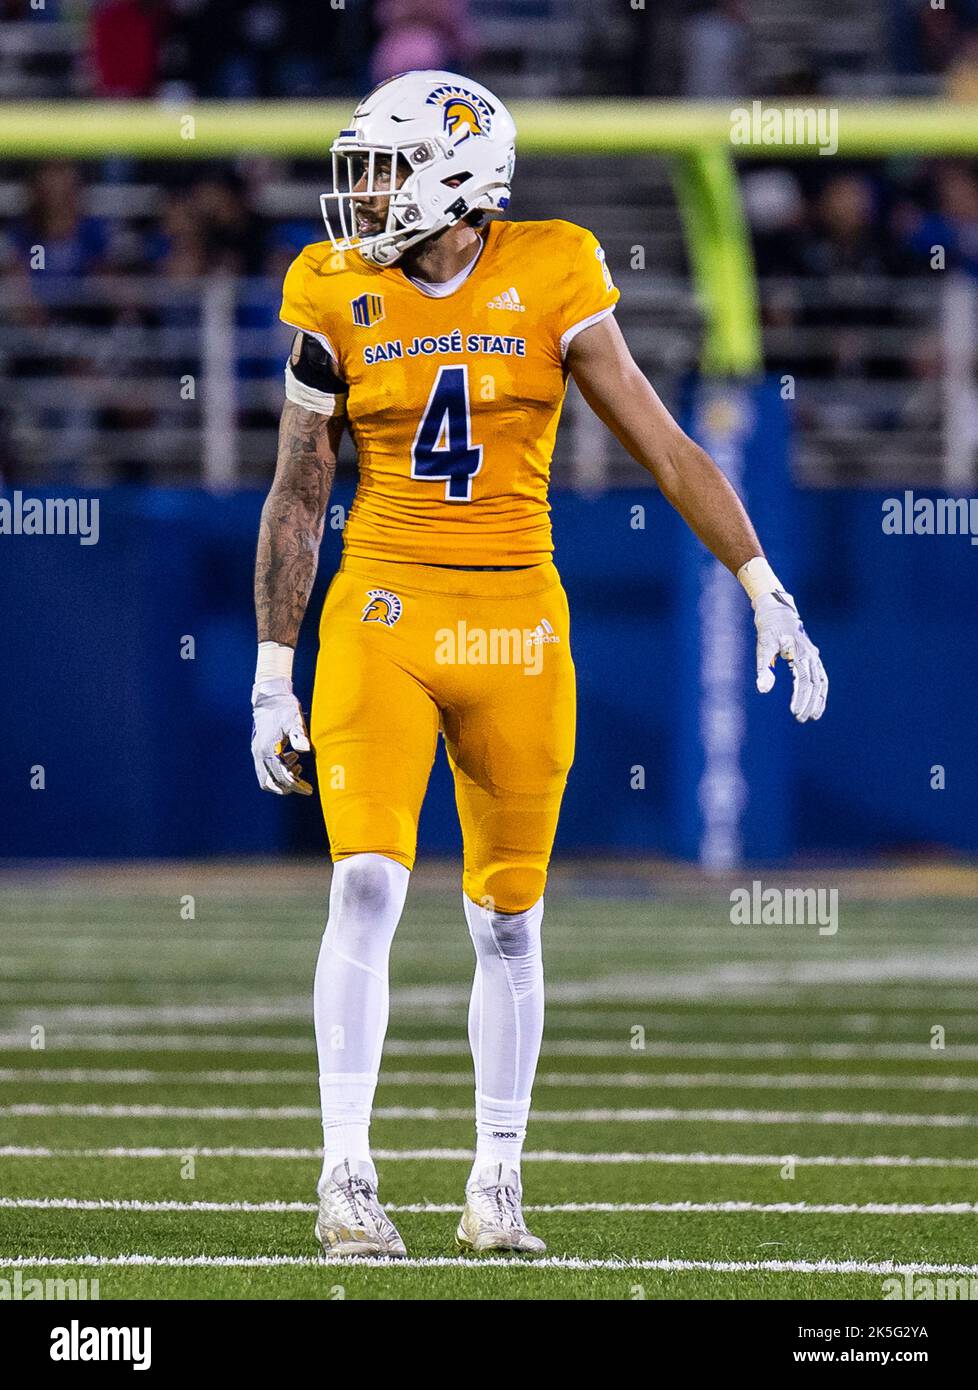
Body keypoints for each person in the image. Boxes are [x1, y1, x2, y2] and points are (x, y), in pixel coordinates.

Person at [250, 70, 828, 1260]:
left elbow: (664, 445)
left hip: (517, 622)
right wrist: (270, 666)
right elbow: (300, 486)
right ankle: (346, 1176)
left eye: (387, 165)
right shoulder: (332, 287)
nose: (361, 192)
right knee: (365, 882)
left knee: (509, 919)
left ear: (459, 176)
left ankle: (494, 1183)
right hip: (386, 611)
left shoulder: (556, 268)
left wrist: (762, 582)